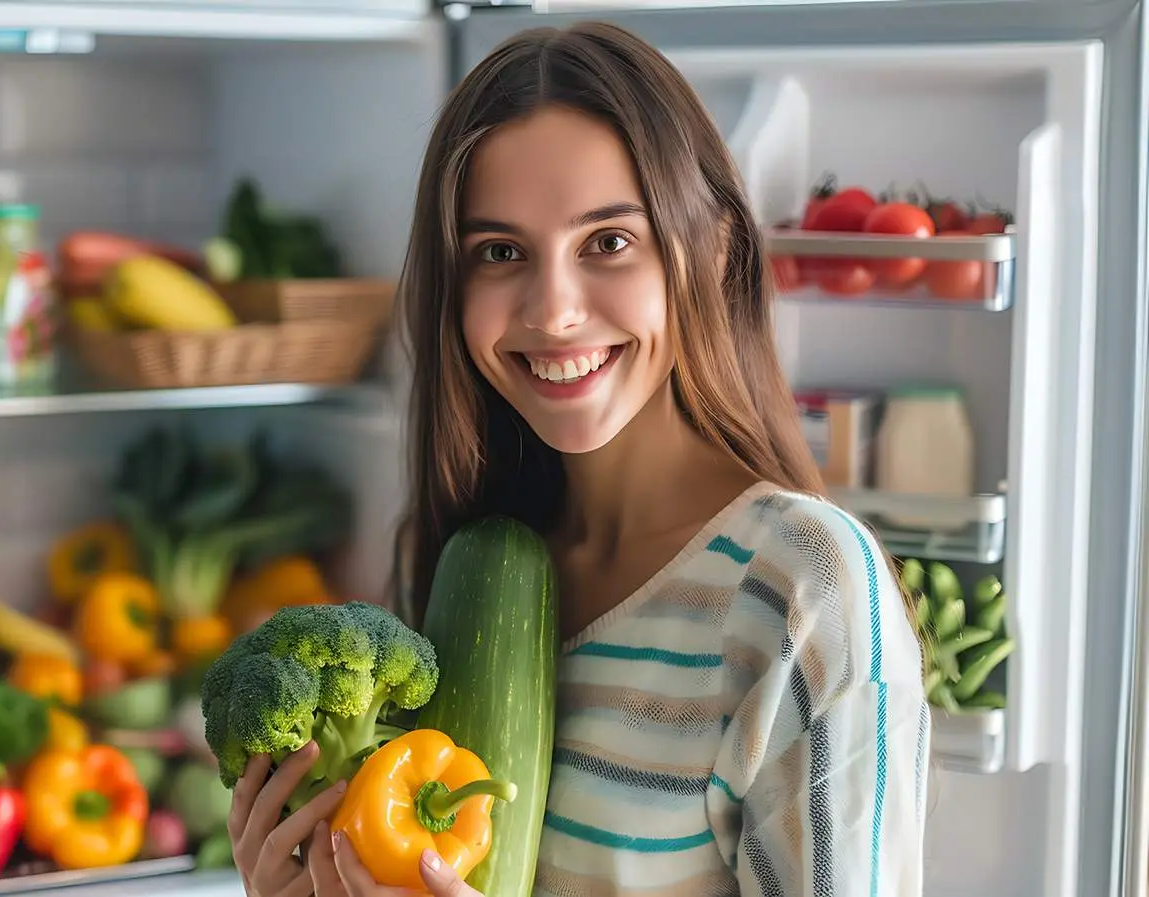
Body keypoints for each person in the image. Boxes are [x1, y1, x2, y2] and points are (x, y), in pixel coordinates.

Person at [224, 19, 932, 897]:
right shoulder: (469, 570)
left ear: (710, 251)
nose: (553, 310)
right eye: (500, 252)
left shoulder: (803, 588)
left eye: (608, 242)